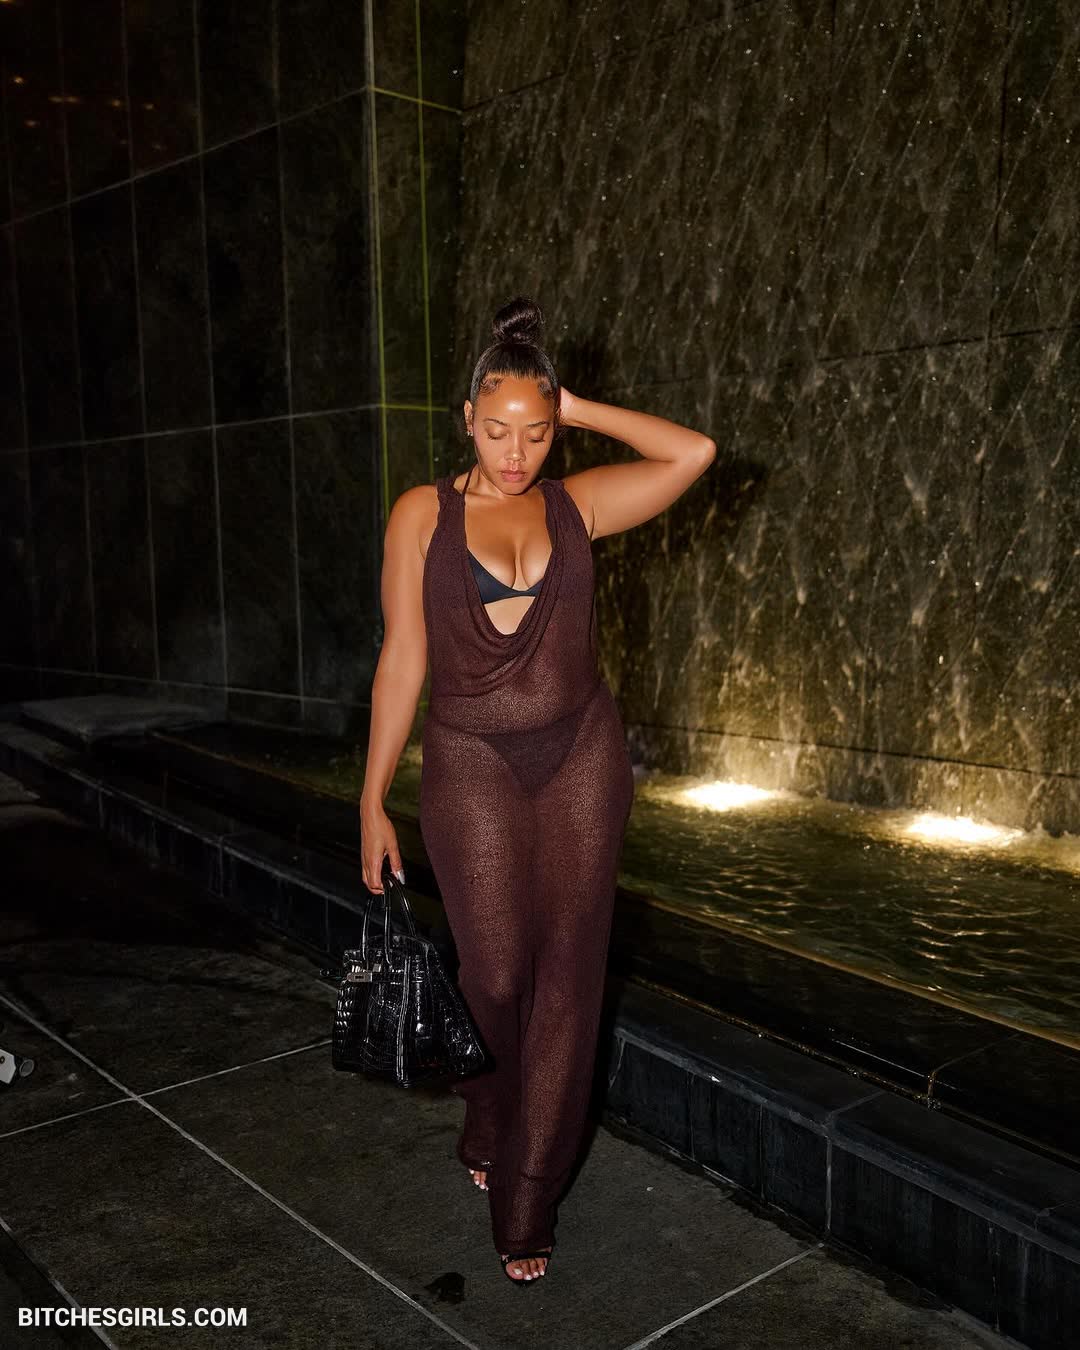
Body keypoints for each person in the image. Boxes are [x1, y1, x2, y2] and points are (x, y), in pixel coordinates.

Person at [359, 296, 715, 1284]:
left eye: (538, 432)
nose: (517, 453)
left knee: (569, 975)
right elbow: (401, 658)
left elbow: (692, 453)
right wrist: (372, 797)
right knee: (495, 976)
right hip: (470, 759)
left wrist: (578, 405)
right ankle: (487, 1109)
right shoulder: (422, 515)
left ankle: (527, 1199)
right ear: (466, 419)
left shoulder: (577, 505)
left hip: (581, 759)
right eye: (498, 430)